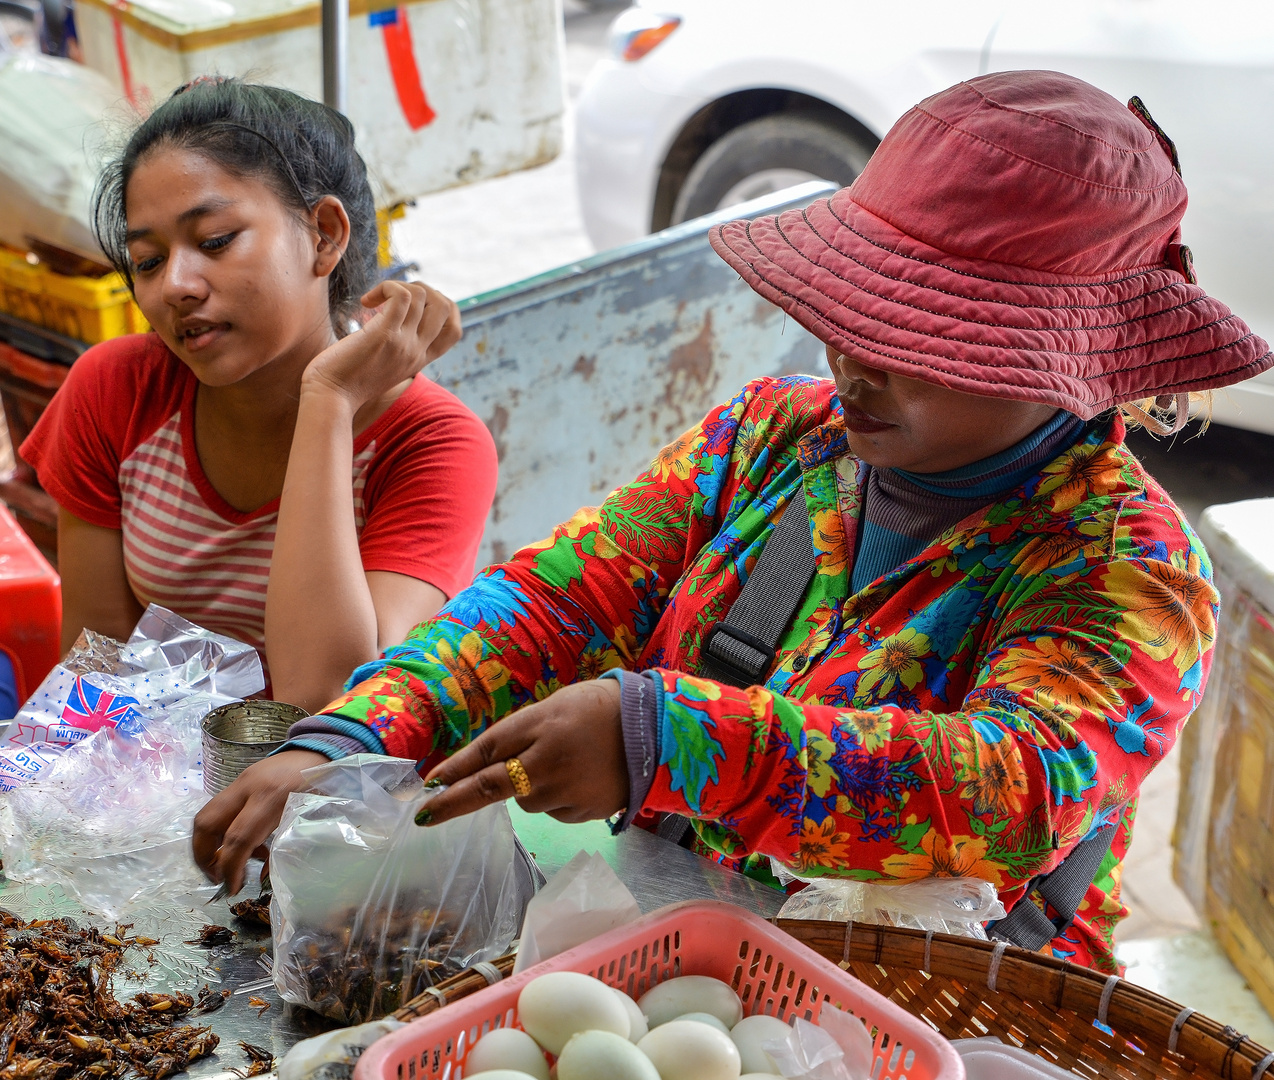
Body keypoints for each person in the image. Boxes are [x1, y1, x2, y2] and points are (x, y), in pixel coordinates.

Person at [193, 71, 1272, 971]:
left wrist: (667, 739)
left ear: (1065, 365)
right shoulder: (773, 440)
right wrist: (355, 736)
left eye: (919, 340)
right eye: (851, 312)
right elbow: (561, 602)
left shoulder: (1127, 571)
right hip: (676, 956)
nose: (855, 361)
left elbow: (1005, 791)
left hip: (944, 1011)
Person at [22, 79, 497, 709]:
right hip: (157, 764)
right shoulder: (117, 390)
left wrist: (329, 400)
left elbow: (334, 698)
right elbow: (96, 673)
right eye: (148, 261)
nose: (177, 285)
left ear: (324, 234)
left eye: (215, 240)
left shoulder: (434, 444)